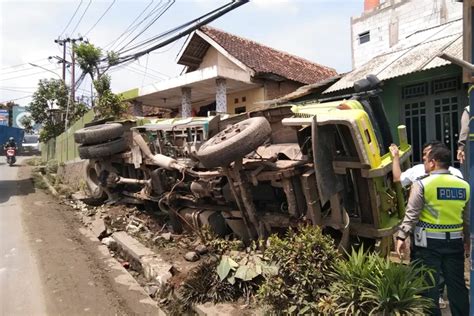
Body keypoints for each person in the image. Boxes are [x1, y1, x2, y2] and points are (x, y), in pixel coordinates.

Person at [395, 145, 470, 316]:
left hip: (428, 245)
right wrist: (467, 240)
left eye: (427, 161)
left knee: (429, 287)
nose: (425, 164)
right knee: (457, 286)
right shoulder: (464, 186)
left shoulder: (422, 183)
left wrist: (401, 236)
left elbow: (411, 214)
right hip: (455, 243)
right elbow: (466, 219)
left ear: (433, 163)